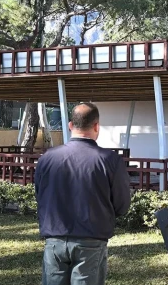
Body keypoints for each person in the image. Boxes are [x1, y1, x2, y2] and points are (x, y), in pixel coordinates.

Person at [34, 103, 130, 285]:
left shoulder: (47, 158)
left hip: (54, 238)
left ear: (71, 125)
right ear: (96, 126)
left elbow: (40, 196)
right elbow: (122, 204)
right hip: (91, 238)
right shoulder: (110, 160)